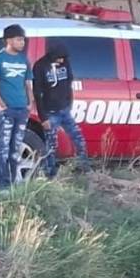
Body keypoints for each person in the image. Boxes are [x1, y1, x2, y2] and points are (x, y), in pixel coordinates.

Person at [0, 24, 33, 189]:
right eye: (19, 39)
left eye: (23, 39)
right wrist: (1, 106)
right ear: (9, 40)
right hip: (6, 110)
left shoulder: (24, 59)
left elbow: (28, 83)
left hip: (22, 110)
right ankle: (2, 185)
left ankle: (14, 182)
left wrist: (30, 103)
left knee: (16, 147)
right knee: (3, 147)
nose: (22, 43)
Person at [32, 43, 91, 178]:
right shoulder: (40, 66)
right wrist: (43, 117)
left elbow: (69, 82)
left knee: (79, 139)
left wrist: (69, 103)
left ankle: (85, 168)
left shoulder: (65, 63)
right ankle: (50, 173)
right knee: (51, 145)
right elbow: (37, 93)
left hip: (64, 110)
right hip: (50, 112)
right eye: (59, 58)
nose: (62, 61)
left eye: (64, 58)